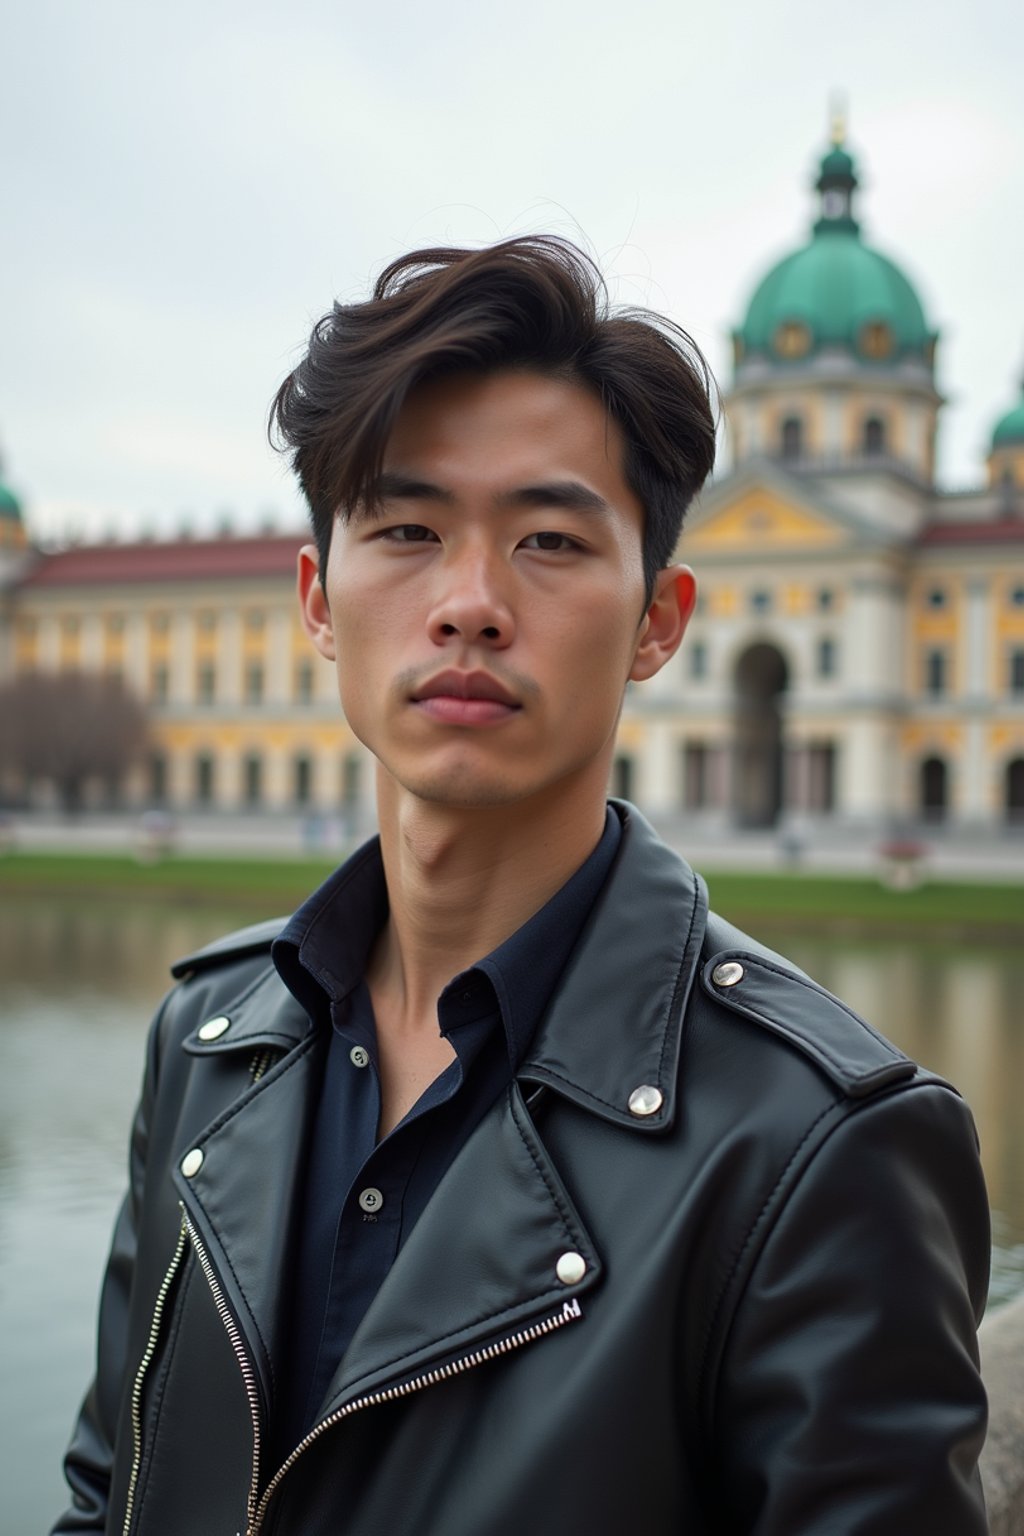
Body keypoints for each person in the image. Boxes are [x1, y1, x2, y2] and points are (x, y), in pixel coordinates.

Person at [53, 237, 989, 1536]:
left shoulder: (824, 1146)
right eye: (408, 528)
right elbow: (116, 1493)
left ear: (661, 618)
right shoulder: (205, 1042)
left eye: (549, 538)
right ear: (319, 601)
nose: (471, 603)